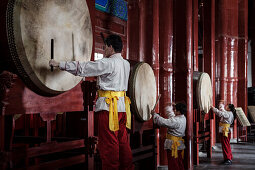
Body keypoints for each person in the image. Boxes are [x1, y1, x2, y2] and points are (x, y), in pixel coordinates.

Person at [49, 34, 133, 170]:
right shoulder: (126, 64)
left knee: (109, 145)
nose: (104, 50)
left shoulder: (108, 63)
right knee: (123, 143)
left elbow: (84, 68)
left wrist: (60, 64)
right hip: (123, 108)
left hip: (108, 108)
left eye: (105, 47)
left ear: (111, 47)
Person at [152, 103, 186, 170]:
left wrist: (154, 114)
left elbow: (163, 122)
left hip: (173, 145)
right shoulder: (182, 117)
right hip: (178, 144)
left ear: (179, 111)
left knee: (173, 164)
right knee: (179, 162)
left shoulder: (176, 121)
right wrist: (169, 108)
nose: (174, 111)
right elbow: (172, 117)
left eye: (175, 110)